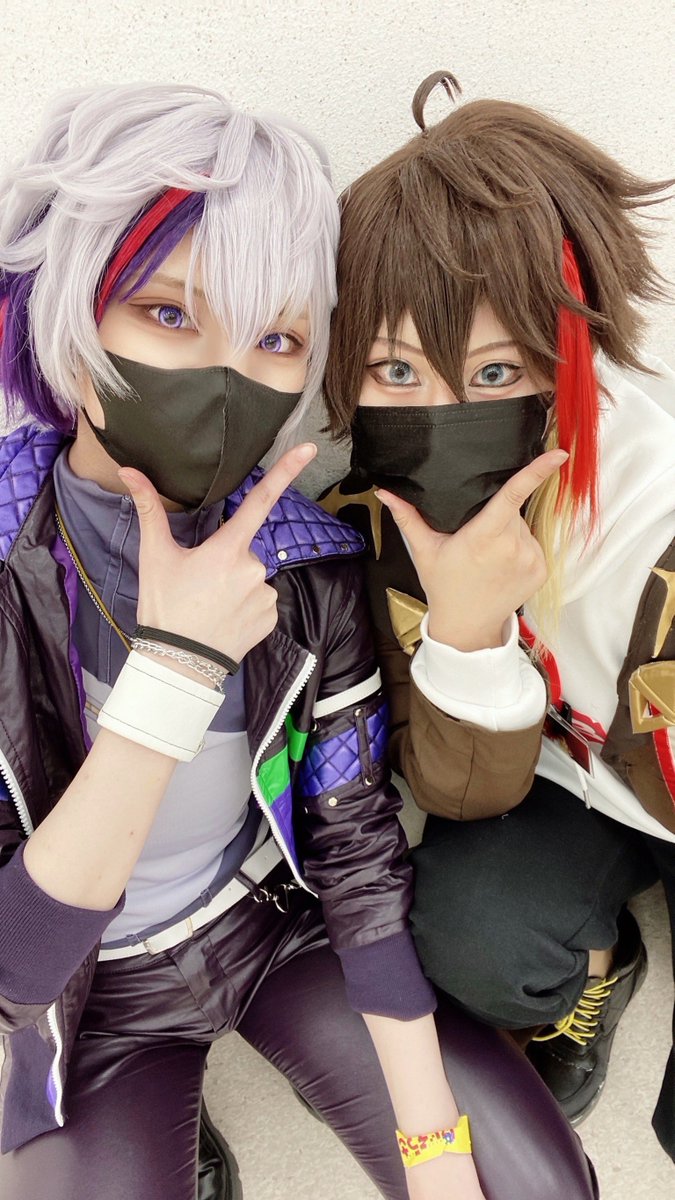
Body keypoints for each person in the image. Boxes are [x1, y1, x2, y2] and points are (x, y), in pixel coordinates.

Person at [0, 83, 598, 1200]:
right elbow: (16, 963)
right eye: (169, 313)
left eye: (276, 338)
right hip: (88, 994)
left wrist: (431, 1152)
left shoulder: (308, 558)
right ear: (71, 313)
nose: (227, 378)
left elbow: (356, 848)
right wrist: (174, 672)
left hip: (275, 927)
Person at [323, 69, 675, 1164]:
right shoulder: (379, 520)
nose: (442, 415)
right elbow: (457, 791)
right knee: (470, 942)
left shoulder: (656, 516)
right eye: (394, 369)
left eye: (493, 370)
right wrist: (468, 634)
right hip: (568, 790)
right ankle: (601, 961)